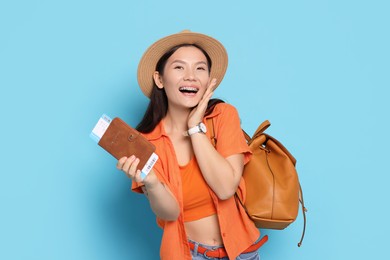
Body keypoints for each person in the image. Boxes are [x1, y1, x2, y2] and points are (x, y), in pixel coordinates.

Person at [116, 30, 266, 260]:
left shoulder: (222, 115)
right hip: (190, 254)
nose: (191, 76)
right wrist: (152, 182)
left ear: (208, 79)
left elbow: (226, 188)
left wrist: (195, 127)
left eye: (200, 68)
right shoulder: (146, 141)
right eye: (179, 68)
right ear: (159, 79)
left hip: (242, 252)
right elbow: (170, 212)